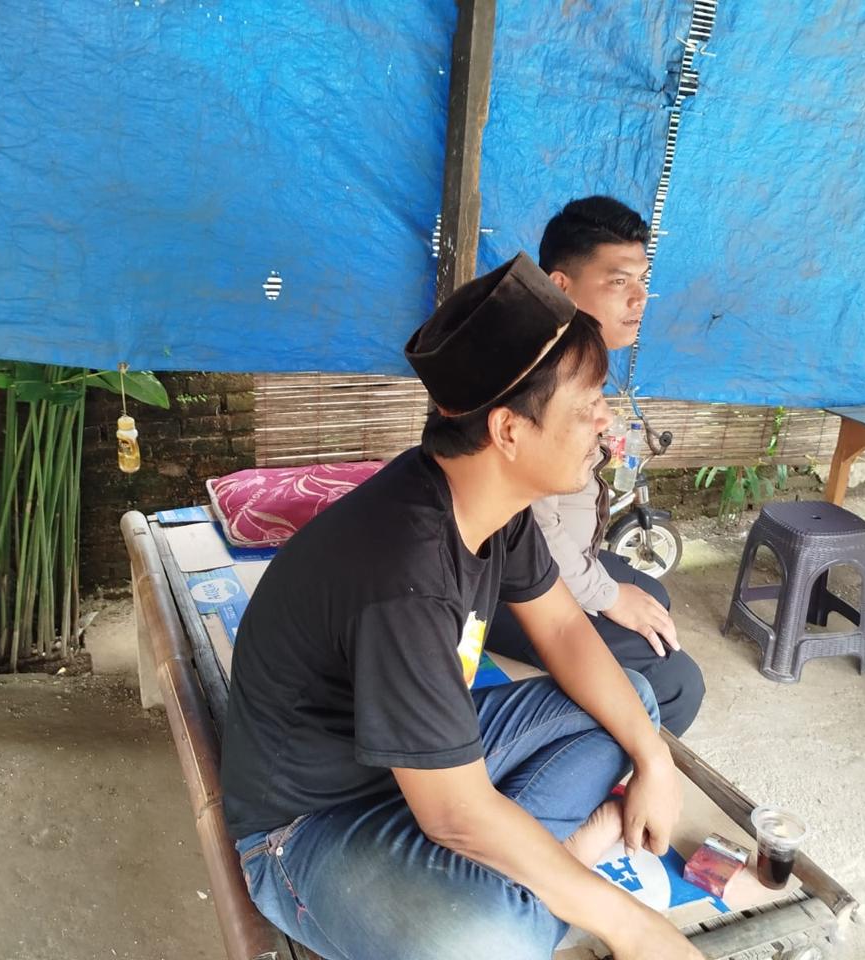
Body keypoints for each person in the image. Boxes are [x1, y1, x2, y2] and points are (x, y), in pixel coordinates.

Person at [221, 253, 703, 960]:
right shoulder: (402, 574)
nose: (605, 423)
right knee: (489, 944)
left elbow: (564, 626)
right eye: (587, 405)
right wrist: (633, 927)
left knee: (634, 701)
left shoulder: (489, 505)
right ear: (508, 431)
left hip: (426, 767)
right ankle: (552, 872)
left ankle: (536, 876)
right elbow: (454, 813)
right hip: (312, 823)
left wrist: (654, 761)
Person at [486, 196, 705, 737]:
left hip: (555, 553)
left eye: (642, 281)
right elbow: (528, 532)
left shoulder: (575, 361)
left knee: (653, 597)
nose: (640, 298)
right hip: (506, 582)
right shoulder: (538, 379)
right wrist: (605, 596)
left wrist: (609, 592)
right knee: (676, 683)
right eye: (618, 281)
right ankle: (604, 763)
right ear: (560, 287)